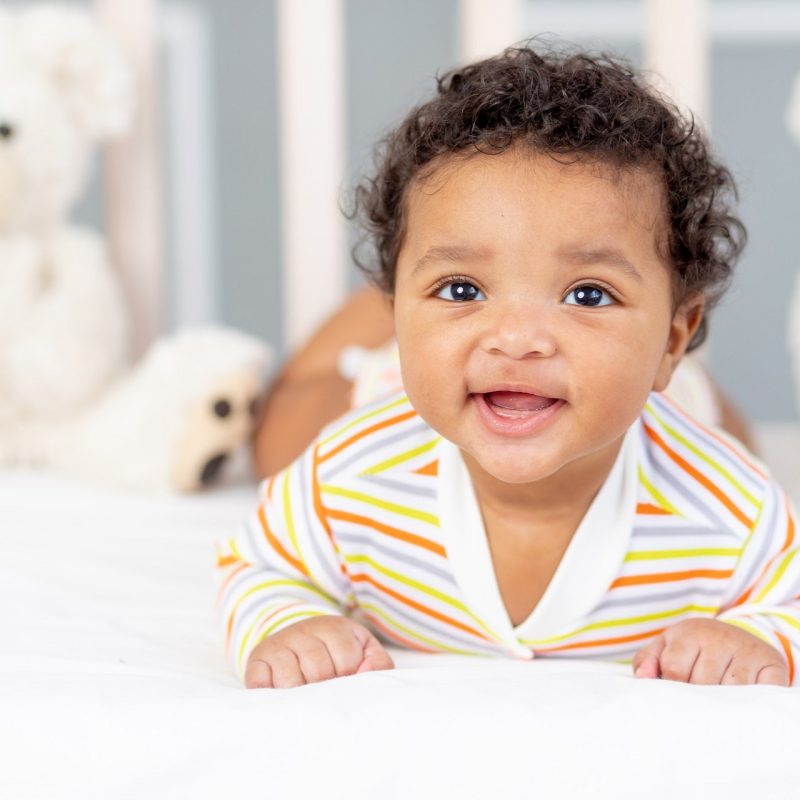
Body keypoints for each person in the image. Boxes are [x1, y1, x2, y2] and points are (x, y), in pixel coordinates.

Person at [218, 44, 799, 689]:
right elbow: (260, 566)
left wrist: (754, 636)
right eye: (463, 287)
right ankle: (383, 325)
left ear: (671, 339)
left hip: (654, 399)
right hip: (419, 385)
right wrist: (286, 623)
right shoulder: (349, 476)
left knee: (712, 420)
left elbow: (787, 598)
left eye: (588, 294)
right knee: (284, 431)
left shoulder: (726, 508)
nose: (520, 339)